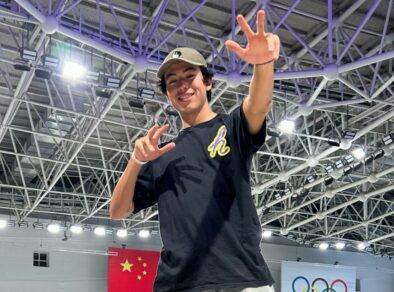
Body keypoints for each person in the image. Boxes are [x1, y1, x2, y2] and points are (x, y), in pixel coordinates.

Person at [110, 9, 280, 292]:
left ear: (207, 82)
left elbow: (258, 105)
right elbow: (118, 211)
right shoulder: (160, 154)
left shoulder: (232, 128)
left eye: (190, 76)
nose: (182, 85)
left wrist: (263, 64)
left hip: (241, 280)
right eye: (173, 81)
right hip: (179, 284)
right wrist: (136, 160)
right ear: (167, 94)